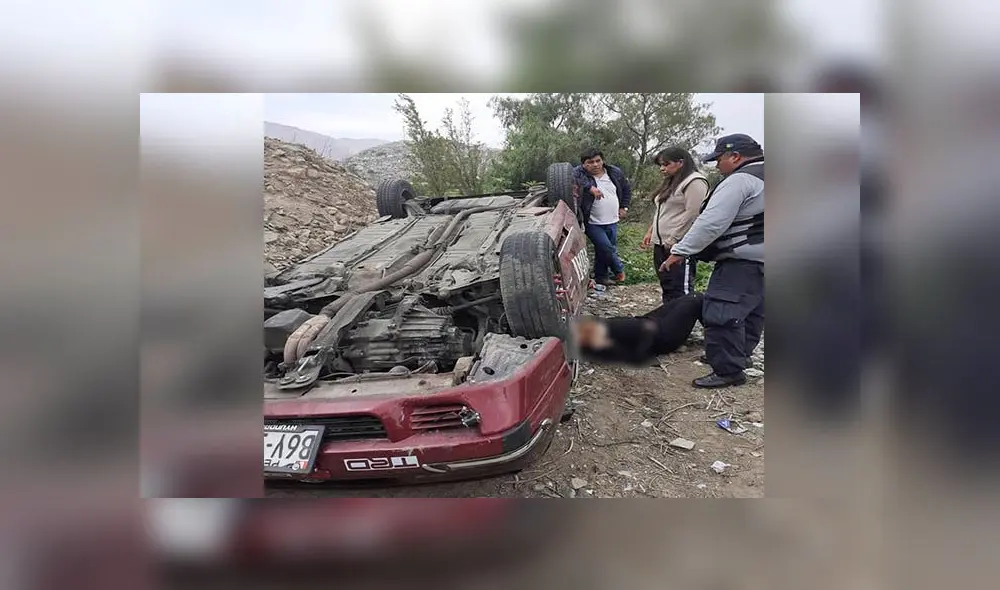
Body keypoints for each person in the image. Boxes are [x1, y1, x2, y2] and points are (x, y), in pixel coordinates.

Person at [660, 133, 764, 388]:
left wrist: (681, 250)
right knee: (752, 311)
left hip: (742, 260)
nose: (717, 165)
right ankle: (740, 357)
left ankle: (728, 370)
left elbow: (712, 222)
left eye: (719, 159)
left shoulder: (740, 180)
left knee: (721, 312)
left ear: (735, 156)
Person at [640, 147, 711, 304]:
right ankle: (669, 321)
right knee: (667, 285)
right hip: (662, 243)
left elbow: (692, 213)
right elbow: (663, 210)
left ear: (680, 163)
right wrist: (651, 231)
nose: (662, 169)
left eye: (666, 164)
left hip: (679, 244)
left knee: (680, 289)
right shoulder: (672, 181)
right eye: (661, 165)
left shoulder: (694, 182)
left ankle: (682, 323)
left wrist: (674, 239)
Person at [574, 293, 704, 366]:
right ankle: (720, 338)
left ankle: (719, 335)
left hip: (650, 323)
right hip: (661, 335)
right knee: (696, 299)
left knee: (694, 298)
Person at [572, 148, 632, 286]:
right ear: (583, 164)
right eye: (590, 162)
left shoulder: (614, 172)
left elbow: (626, 189)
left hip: (612, 219)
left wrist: (624, 207)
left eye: (598, 161)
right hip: (592, 221)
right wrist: (589, 187)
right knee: (606, 247)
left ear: (603, 160)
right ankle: (619, 270)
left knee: (602, 250)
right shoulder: (579, 174)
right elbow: (571, 177)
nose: (595, 164)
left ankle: (601, 277)